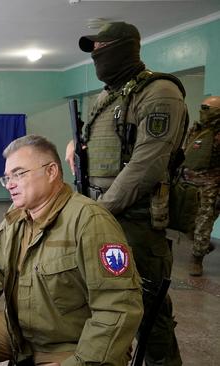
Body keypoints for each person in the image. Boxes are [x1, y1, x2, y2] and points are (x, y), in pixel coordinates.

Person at [66, 22, 187, 365]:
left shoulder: (159, 92)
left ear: (125, 48)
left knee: (150, 317)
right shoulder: (108, 97)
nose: (96, 54)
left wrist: (97, 212)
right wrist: (77, 145)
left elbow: (146, 165)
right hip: (103, 218)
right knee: (104, 306)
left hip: (136, 223)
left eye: (102, 46)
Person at [0, 135, 143, 366]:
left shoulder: (90, 221)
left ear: (51, 172)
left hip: (72, 343)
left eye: (18, 174)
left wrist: (78, 363)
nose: (9, 184)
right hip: (20, 331)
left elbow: (118, 307)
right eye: (7, 177)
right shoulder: (18, 213)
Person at [180, 96, 220, 276]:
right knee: (188, 223)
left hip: (210, 187)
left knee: (203, 223)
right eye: (202, 107)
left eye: (207, 108)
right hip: (187, 185)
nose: (203, 111)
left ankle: (197, 260)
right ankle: (202, 244)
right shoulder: (195, 130)